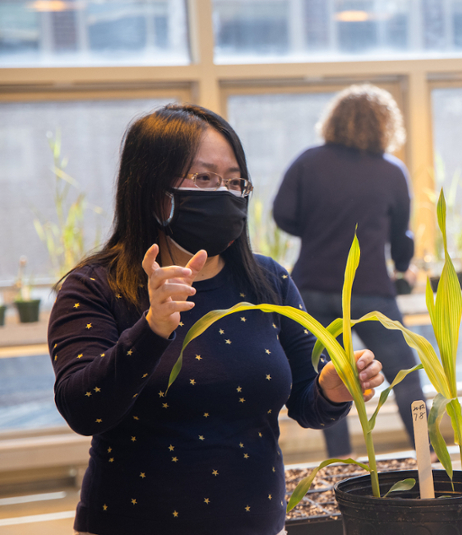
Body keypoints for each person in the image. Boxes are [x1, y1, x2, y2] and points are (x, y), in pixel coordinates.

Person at [49, 104, 385, 535]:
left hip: (259, 525)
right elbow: (83, 409)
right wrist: (151, 330)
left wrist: (331, 390)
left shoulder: (268, 281)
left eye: (233, 181)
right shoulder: (96, 285)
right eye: (204, 178)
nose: (223, 193)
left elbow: (306, 402)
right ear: (153, 189)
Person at [273, 84, 423, 459]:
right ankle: (429, 457)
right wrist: (404, 267)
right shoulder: (391, 171)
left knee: (329, 381)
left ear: (334, 120)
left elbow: (282, 213)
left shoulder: (308, 162)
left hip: (313, 287)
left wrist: (318, 227)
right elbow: (401, 234)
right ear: (385, 125)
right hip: (372, 288)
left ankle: (342, 463)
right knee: (405, 375)